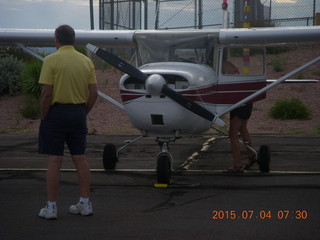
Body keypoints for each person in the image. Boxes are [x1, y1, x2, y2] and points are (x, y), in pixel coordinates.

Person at [38, 25, 98, 219]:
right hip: (78, 113)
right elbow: (94, 93)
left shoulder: (50, 60)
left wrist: (43, 115)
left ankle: (51, 207)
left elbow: (47, 93)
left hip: (56, 114)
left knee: (54, 159)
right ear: (74, 40)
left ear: (57, 40)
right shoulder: (86, 61)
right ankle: (85, 203)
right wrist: (83, 111)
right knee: (79, 158)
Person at [222, 50, 256, 173]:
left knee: (233, 133)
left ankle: (237, 165)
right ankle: (252, 156)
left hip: (239, 100)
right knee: (242, 129)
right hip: (246, 98)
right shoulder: (227, 64)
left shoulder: (222, 65)